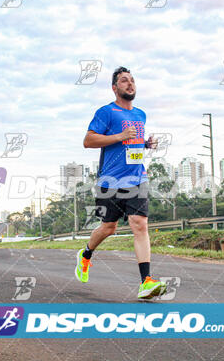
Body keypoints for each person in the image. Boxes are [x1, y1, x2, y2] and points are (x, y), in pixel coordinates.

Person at [76, 66, 167, 300]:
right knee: (109, 227)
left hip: (137, 178)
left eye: (132, 80)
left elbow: (131, 144)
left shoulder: (140, 115)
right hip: (110, 180)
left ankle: (146, 281)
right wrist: (118, 137)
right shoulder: (106, 112)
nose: (130, 84)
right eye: (124, 81)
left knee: (140, 224)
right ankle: (85, 255)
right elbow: (88, 140)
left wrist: (145, 144)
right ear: (115, 88)